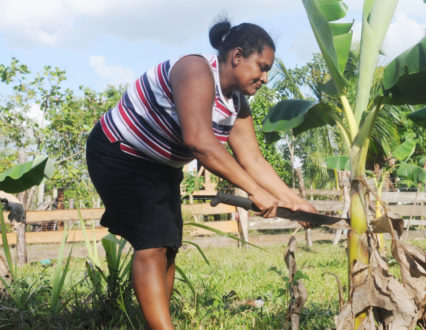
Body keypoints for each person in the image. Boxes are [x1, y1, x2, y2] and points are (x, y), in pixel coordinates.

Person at [86, 19, 317, 329]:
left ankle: (160, 323)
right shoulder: (194, 70)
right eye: (261, 67)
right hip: (120, 152)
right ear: (236, 56)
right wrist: (254, 192)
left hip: (160, 166)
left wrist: (294, 199)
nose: (264, 78)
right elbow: (199, 142)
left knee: (167, 247)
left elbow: (253, 160)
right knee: (151, 243)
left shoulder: (236, 104)